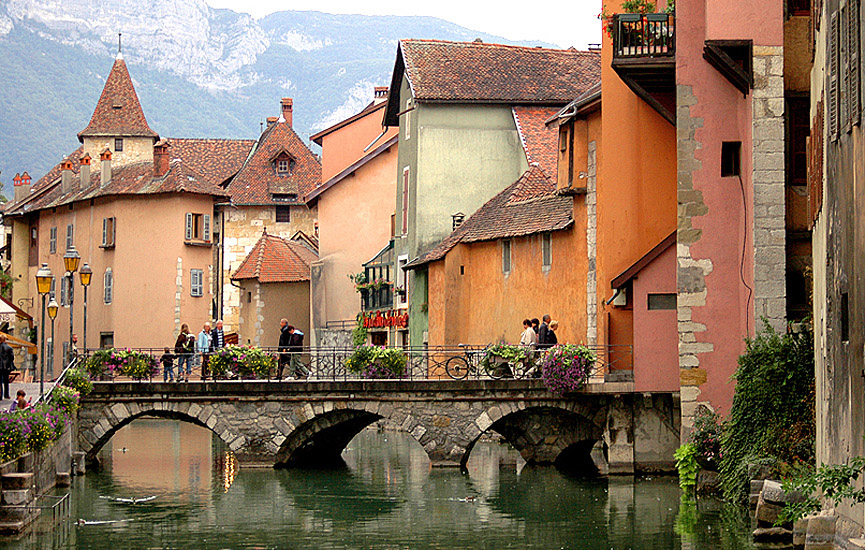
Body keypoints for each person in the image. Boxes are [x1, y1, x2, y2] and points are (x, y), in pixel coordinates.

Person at [0, 334, 13, 399]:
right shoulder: (9, 348)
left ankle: (0, 395)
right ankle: (6, 395)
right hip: (6, 366)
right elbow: (12, 357)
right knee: (6, 381)